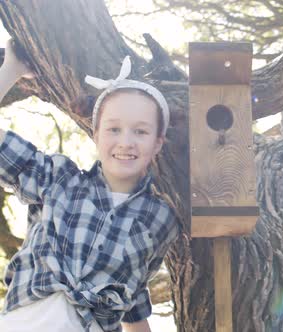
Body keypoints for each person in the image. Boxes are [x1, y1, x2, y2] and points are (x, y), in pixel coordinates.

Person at [0, 40, 179, 332]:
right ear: (95, 133)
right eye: (113, 129)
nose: (126, 142)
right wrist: (11, 69)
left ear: (158, 142)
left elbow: (132, 297)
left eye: (141, 131)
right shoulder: (58, 179)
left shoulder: (162, 218)